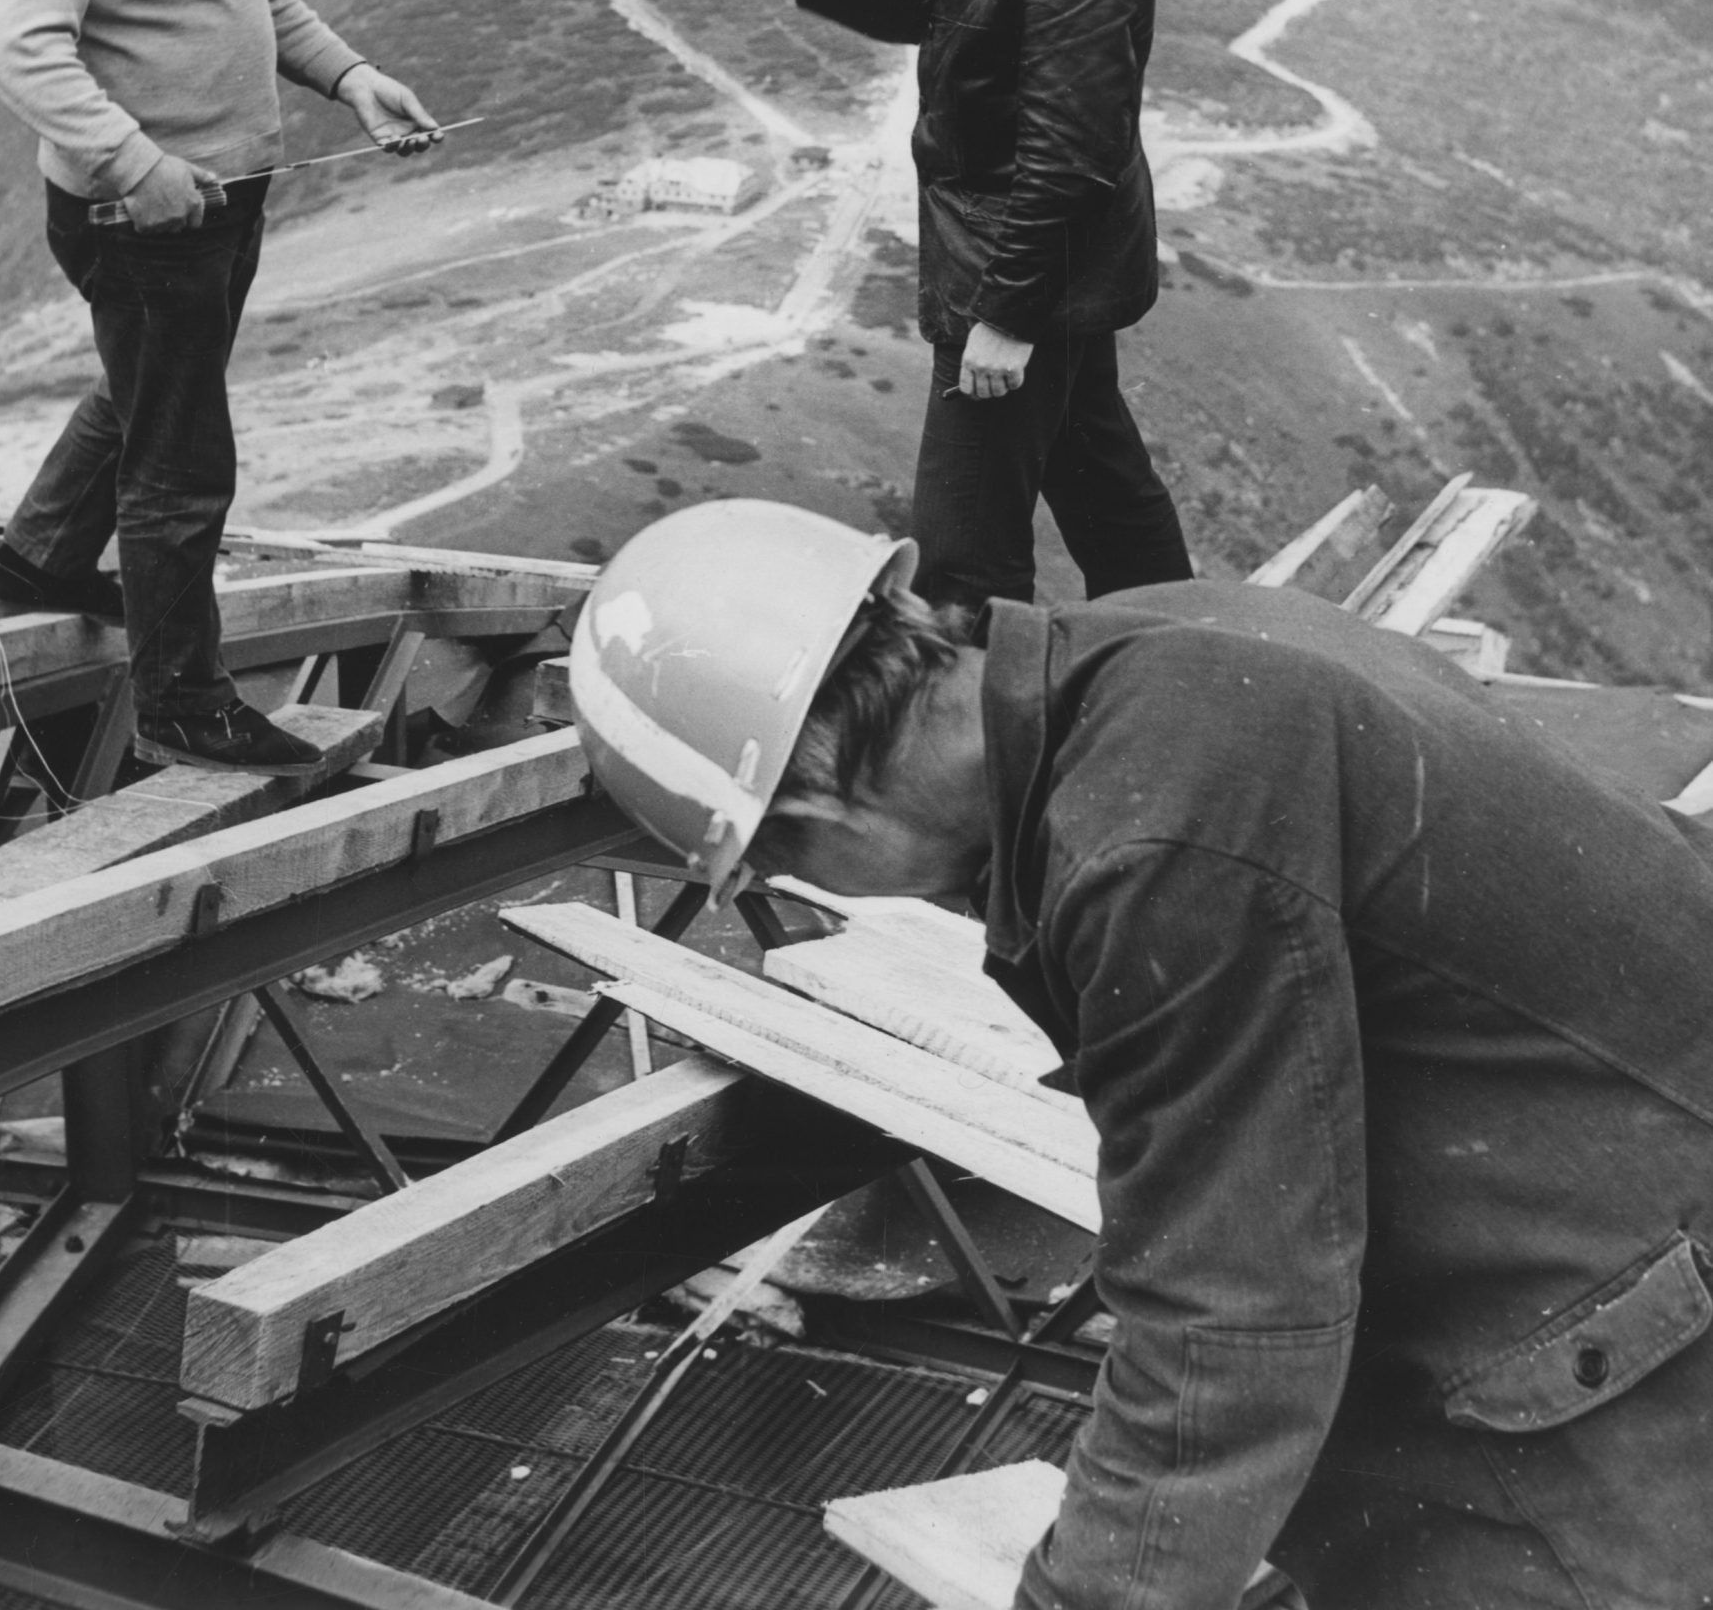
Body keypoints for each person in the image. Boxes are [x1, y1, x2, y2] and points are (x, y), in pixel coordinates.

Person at [569, 498, 1713, 1609]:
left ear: (814, 806)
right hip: (1621, 1147)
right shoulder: (1153, 649)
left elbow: (1232, 1311)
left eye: (771, 866)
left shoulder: (1149, 840)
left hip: (1634, 1278)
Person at [0, 0, 438, 773]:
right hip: (140, 211)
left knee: (157, 385)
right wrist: (139, 162)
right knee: (184, 460)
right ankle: (186, 700)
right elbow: (22, 50)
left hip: (221, 198)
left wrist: (353, 76)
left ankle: (38, 557)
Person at [793, 0, 1190, 614]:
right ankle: (1192, 655)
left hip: (1021, 285)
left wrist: (1005, 318)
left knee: (965, 557)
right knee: (1111, 504)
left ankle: (990, 750)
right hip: (1051, 277)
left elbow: (1070, 145)